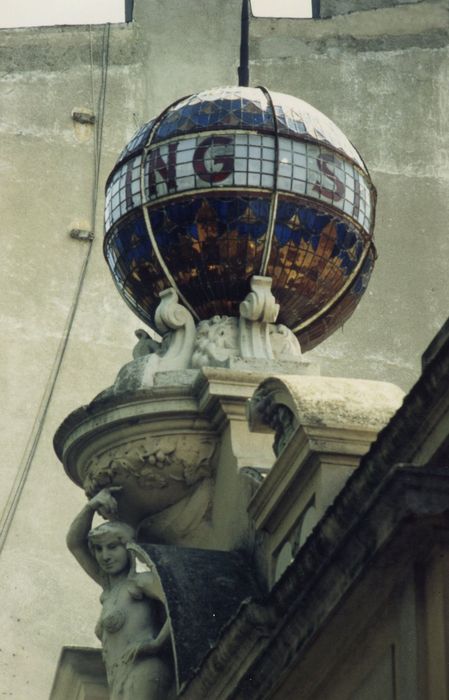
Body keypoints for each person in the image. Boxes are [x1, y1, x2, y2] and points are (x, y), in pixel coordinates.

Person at [67, 487, 173, 700]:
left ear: (128, 548)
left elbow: (178, 606)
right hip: (118, 677)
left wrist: (156, 644)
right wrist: (90, 507)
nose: (105, 556)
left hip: (144, 670)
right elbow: (75, 543)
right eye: (98, 549)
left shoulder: (139, 582)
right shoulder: (109, 589)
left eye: (112, 547)